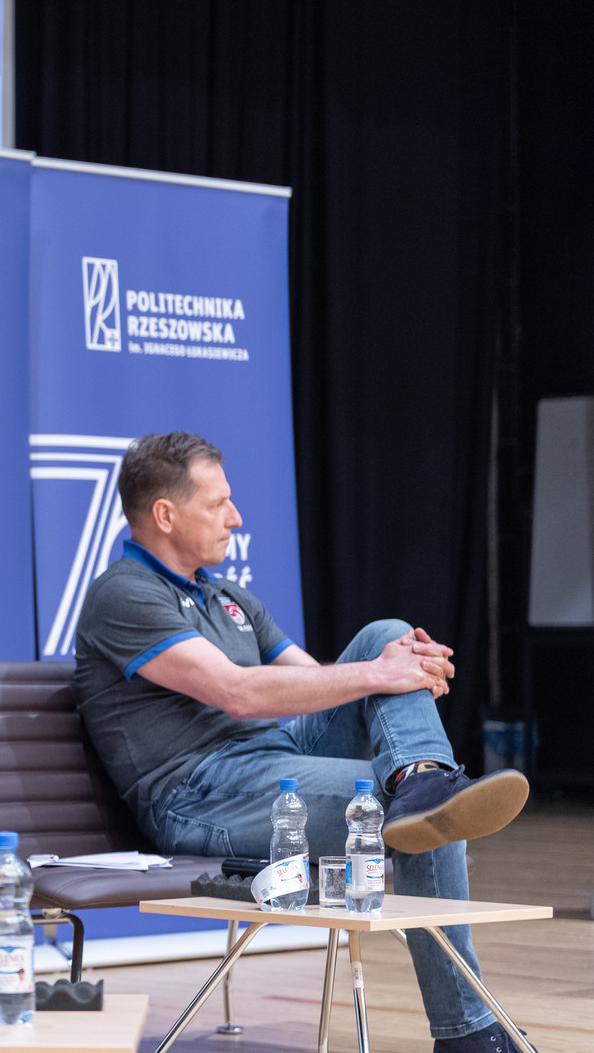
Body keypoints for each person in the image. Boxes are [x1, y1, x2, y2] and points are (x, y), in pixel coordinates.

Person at [74, 431, 530, 1053]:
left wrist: (398, 671)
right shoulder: (124, 594)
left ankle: (422, 776)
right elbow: (237, 693)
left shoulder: (227, 598)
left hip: (274, 761)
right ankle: (468, 1033)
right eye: (218, 504)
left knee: (387, 636)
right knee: (412, 808)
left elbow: (319, 684)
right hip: (200, 794)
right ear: (165, 514)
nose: (236, 518)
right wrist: (386, 676)